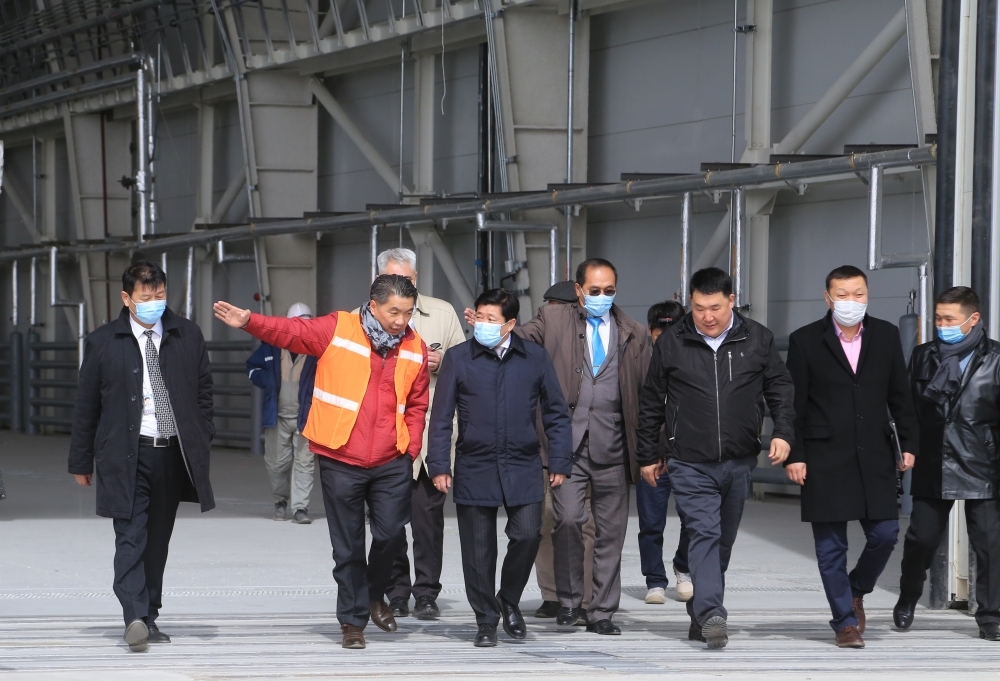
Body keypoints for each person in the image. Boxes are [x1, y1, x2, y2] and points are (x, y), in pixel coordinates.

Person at [213, 274, 429, 650]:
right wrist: (250, 321)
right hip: (340, 454)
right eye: (394, 311)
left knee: (392, 535)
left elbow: (417, 403)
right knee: (347, 547)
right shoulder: (338, 328)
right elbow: (291, 333)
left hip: (391, 459)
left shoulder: (415, 346)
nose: (400, 320)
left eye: (407, 313)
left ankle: (375, 593)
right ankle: (352, 622)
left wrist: (409, 448)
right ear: (373, 305)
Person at [636, 267, 794, 649]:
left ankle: (700, 616)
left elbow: (780, 387)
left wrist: (785, 433)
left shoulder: (756, 338)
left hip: (739, 460)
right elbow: (651, 402)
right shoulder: (672, 342)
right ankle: (712, 613)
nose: (707, 315)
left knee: (721, 540)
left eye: (715, 308)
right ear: (690, 302)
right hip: (689, 460)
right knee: (704, 533)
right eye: (699, 307)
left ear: (731, 302)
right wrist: (647, 455)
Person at [69, 261, 215, 653]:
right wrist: (81, 461)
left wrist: (203, 438)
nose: (155, 304)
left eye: (160, 296)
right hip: (124, 454)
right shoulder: (103, 342)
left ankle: (149, 614)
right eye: (146, 298)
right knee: (130, 537)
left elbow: (204, 394)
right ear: (126, 299)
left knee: (157, 541)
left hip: (171, 453)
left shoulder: (188, 335)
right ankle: (133, 616)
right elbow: (87, 407)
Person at [506, 258, 650, 635]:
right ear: (579, 290)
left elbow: (647, 394)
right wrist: (493, 325)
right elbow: (516, 338)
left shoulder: (633, 333)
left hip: (615, 447)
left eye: (609, 291)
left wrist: (650, 450)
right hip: (564, 446)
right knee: (567, 520)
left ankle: (601, 611)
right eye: (595, 290)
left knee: (610, 534)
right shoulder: (554, 320)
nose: (602, 297)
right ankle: (569, 600)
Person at [428, 288, 572, 647]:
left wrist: (559, 459)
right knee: (478, 550)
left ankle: (508, 599)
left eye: (492, 320)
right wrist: (438, 464)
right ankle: (486, 620)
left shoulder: (534, 358)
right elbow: (442, 416)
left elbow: (555, 411)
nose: (483, 325)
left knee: (527, 535)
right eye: (479, 318)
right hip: (475, 462)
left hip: (523, 463)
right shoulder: (459, 358)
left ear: (509, 324)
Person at [784, 265, 918, 649]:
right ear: (827, 298)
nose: (851, 302)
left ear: (868, 295)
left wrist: (908, 443)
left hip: (874, 454)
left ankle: (856, 588)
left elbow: (900, 396)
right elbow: (794, 405)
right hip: (823, 457)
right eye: (842, 295)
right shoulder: (805, 340)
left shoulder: (887, 336)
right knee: (830, 548)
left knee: (886, 534)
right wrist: (795, 453)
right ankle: (844, 622)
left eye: (858, 294)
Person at [896, 286, 1000, 641]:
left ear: (973, 319)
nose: (942, 325)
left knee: (989, 545)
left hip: (982, 462)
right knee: (921, 539)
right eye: (938, 318)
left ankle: (991, 616)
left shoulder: (996, 358)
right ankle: (908, 596)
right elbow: (907, 408)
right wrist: (905, 448)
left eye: (949, 319)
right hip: (934, 458)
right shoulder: (923, 356)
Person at [374, 249, 466, 621]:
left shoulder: (442, 313)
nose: (404, 286)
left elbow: (467, 366)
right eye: (396, 278)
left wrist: (443, 362)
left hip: (430, 438)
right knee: (389, 523)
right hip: (384, 438)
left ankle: (427, 592)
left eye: (410, 279)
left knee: (428, 521)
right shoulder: (361, 319)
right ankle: (396, 592)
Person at [533, 280, 597, 619]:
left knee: (583, 525)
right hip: (542, 451)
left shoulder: (595, 343)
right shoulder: (536, 346)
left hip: (582, 451)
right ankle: (552, 595)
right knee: (544, 524)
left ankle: (584, 599)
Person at [638, 301, 692, 604]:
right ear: (650, 331)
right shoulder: (639, 361)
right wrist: (647, 455)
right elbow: (641, 414)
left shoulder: (692, 360)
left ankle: (683, 567)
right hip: (653, 459)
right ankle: (654, 580)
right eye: (661, 332)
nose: (667, 338)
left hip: (687, 457)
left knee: (694, 520)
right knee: (651, 523)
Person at [246, 302, 316, 524]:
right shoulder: (271, 346)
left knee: (304, 463)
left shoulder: (318, 349)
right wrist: (267, 380)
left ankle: (300, 508)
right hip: (277, 415)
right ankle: (280, 501)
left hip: (307, 416)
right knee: (277, 463)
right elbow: (252, 367)